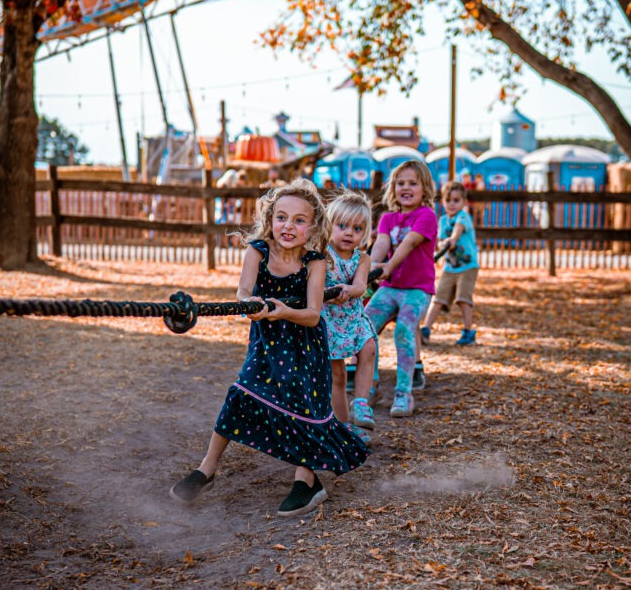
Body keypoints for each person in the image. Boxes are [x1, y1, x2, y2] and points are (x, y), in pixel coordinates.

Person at [170, 178, 368, 516]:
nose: (288, 226)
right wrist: (252, 305)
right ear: (270, 219)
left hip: (305, 344)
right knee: (241, 393)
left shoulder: (314, 261)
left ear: (312, 227)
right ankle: (207, 468)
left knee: (306, 407)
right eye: (281, 217)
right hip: (266, 341)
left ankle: (306, 482)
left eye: (299, 220)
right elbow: (243, 292)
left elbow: (313, 314)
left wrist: (285, 311)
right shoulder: (257, 251)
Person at [365, 159, 437, 418]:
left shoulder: (426, 216)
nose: (406, 188)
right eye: (400, 183)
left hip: (417, 289)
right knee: (365, 327)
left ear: (424, 188)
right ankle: (368, 388)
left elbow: (407, 244)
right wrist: (372, 266)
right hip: (390, 287)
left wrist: (387, 267)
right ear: (393, 188)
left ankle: (403, 393)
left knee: (405, 331)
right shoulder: (387, 218)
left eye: (413, 183)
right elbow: (382, 243)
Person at [322, 191, 377, 442]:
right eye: (342, 226)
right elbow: (315, 286)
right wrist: (328, 293)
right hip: (330, 321)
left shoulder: (362, 258)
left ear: (364, 233)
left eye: (356, 229)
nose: (348, 233)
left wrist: (346, 290)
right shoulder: (322, 256)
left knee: (369, 348)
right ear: (329, 226)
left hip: (353, 317)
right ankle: (342, 427)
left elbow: (360, 286)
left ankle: (362, 403)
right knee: (338, 375)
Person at [420, 180, 479, 347]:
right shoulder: (443, 220)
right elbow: (439, 241)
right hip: (450, 267)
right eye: (449, 200)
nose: (452, 204)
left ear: (464, 202)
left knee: (463, 298)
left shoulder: (463, 216)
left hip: (468, 266)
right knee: (438, 298)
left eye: (456, 200)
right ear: (443, 202)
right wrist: (442, 245)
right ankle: (425, 329)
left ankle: (468, 332)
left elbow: (457, 231)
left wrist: (452, 239)